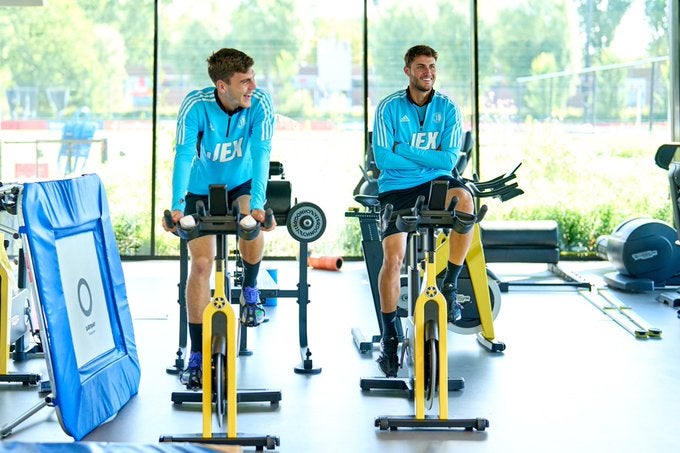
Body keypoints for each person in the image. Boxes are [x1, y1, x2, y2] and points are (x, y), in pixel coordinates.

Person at [163, 48, 276, 390]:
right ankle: (197, 355)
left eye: (253, 78)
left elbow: (261, 152)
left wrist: (257, 205)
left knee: (249, 225)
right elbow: (183, 154)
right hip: (200, 189)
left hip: (241, 183)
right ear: (222, 85)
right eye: (245, 81)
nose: (252, 86)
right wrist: (176, 206)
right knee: (200, 264)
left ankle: (251, 288)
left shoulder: (259, 104)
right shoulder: (196, 105)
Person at [371, 45, 475, 378]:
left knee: (466, 202)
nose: (427, 72)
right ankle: (390, 334)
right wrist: (422, 156)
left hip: (437, 185)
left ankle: (450, 284)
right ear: (408, 71)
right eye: (420, 67)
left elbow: (449, 161)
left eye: (431, 67)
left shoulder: (449, 108)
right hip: (395, 188)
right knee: (393, 258)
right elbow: (383, 160)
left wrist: (403, 148)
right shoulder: (388, 108)